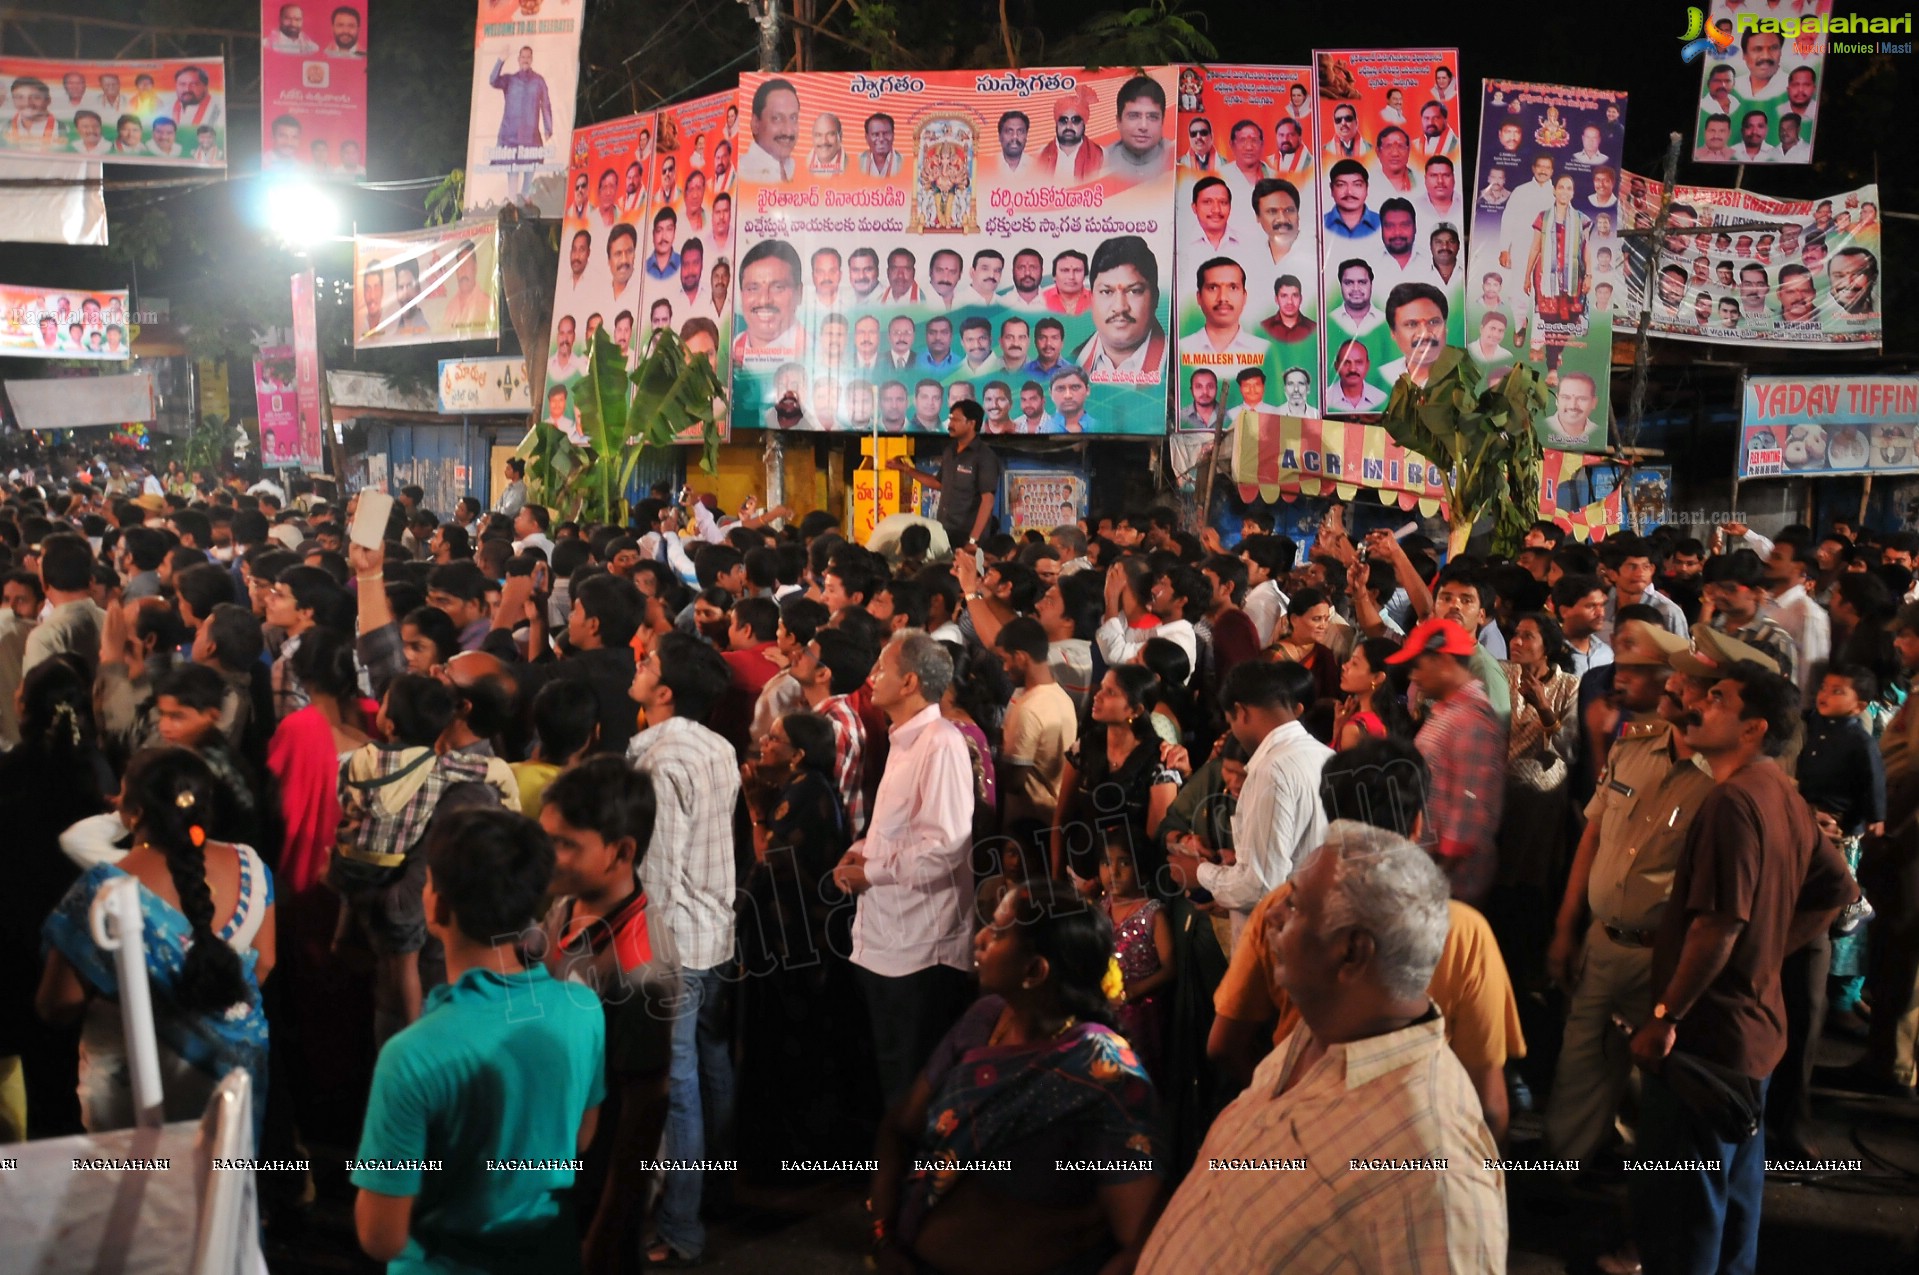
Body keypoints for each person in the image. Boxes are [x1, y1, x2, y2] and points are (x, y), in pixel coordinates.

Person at [1140, 821, 1507, 1273]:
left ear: (1351, 953)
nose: (1272, 915)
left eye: (1294, 905)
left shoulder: (1432, 1174)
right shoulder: (1315, 1035)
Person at [1629, 663, 1855, 1275]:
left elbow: (1718, 925)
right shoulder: (1780, 789)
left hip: (1708, 1040)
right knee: (1731, 1210)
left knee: (1688, 1215)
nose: (1701, 704)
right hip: (1751, 1035)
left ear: (1753, 728)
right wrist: (1769, 950)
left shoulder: (1733, 801)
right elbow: (1836, 887)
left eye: (1719, 699)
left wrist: (1664, 1015)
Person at [351, 808, 604, 1273]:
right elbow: (580, 1137)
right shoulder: (582, 1010)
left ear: (438, 905)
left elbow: (381, 1236)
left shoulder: (411, 1057)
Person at [867, 886, 1162, 1275]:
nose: (980, 937)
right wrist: (883, 1235)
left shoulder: (1105, 1069)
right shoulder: (983, 1019)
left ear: (1035, 971)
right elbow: (898, 1128)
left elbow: (1139, 1243)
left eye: (999, 932)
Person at [38, 748, 273, 1135]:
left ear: (134, 812)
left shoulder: (103, 891)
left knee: (138, 1193)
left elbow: (58, 1003)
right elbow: (263, 963)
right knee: (217, 1190)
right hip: (229, 1081)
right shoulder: (249, 865)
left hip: (133, 1095)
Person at [534, 757, 680, 1275]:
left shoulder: (642, 971)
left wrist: (608, 1228)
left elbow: (644, 1110)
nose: (547, 856)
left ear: (621, 852)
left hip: (595, 1183)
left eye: (566, 843)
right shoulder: (571, 905)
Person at [624, 631, 739, 1266]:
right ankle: (710, 1196)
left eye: (648, 663)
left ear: (665, 691)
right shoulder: (716, 746)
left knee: (678, 1083)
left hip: (676, 943)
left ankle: (679, 1222)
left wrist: (642, 956)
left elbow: (659, 875)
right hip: (714, 932)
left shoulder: (662, 760)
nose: (637, 666)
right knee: (708, 1065)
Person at [830, 632, 976, 1109]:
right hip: (887, 937)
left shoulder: (941, 744)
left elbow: (944, 847)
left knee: (915, 1090)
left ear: (909, 681)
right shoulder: (904, 740)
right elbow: (903, 830)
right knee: (889, 1081)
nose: (872, 678)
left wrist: (872, 872)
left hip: (920, 947)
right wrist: (861, 850)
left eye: (882, 669)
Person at [1389, 618, 1507, 904]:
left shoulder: (1471, 719)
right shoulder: (1449, 711)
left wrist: (1437, 880)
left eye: (1418, 665)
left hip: (1450, 886)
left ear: (1442, 661)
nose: (1413, 675)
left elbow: (1471, 811)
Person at [887, 399, 1001, 551]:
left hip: (968, 538)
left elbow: (988, 501)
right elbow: (938, 483)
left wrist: (973, 540)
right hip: (944, 533)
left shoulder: (984, 456)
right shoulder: (949, 451)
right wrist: (905, 469)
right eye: (950, 418)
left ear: (972, 423)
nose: (950, 424)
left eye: (956, 419)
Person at [1073, 235, 1167, 377]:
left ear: (1155, 298)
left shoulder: (1176, 363)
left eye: (1134, 291)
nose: (1119, 307)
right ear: (1091, 299)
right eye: (1106, 291)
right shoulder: (1071, 362)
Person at [487, 46, 552, 198]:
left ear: (532, 59)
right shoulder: (510, 80)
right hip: (511, 135)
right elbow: (493, 80)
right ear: (518, 59)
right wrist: (500, 60)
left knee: (530, 168)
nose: (525, 60)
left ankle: (525, 198)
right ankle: (512, 204)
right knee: (513, 173)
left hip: (531, 136)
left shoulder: (539, 81)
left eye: (528, 57)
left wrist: (549, 128)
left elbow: (546, 104)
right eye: (523, 57)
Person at [740, 77, 800, 183]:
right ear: (755, 124)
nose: (788, 131)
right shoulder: (742, 173)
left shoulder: (797, 170)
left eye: (793, 118)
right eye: (777, 118)